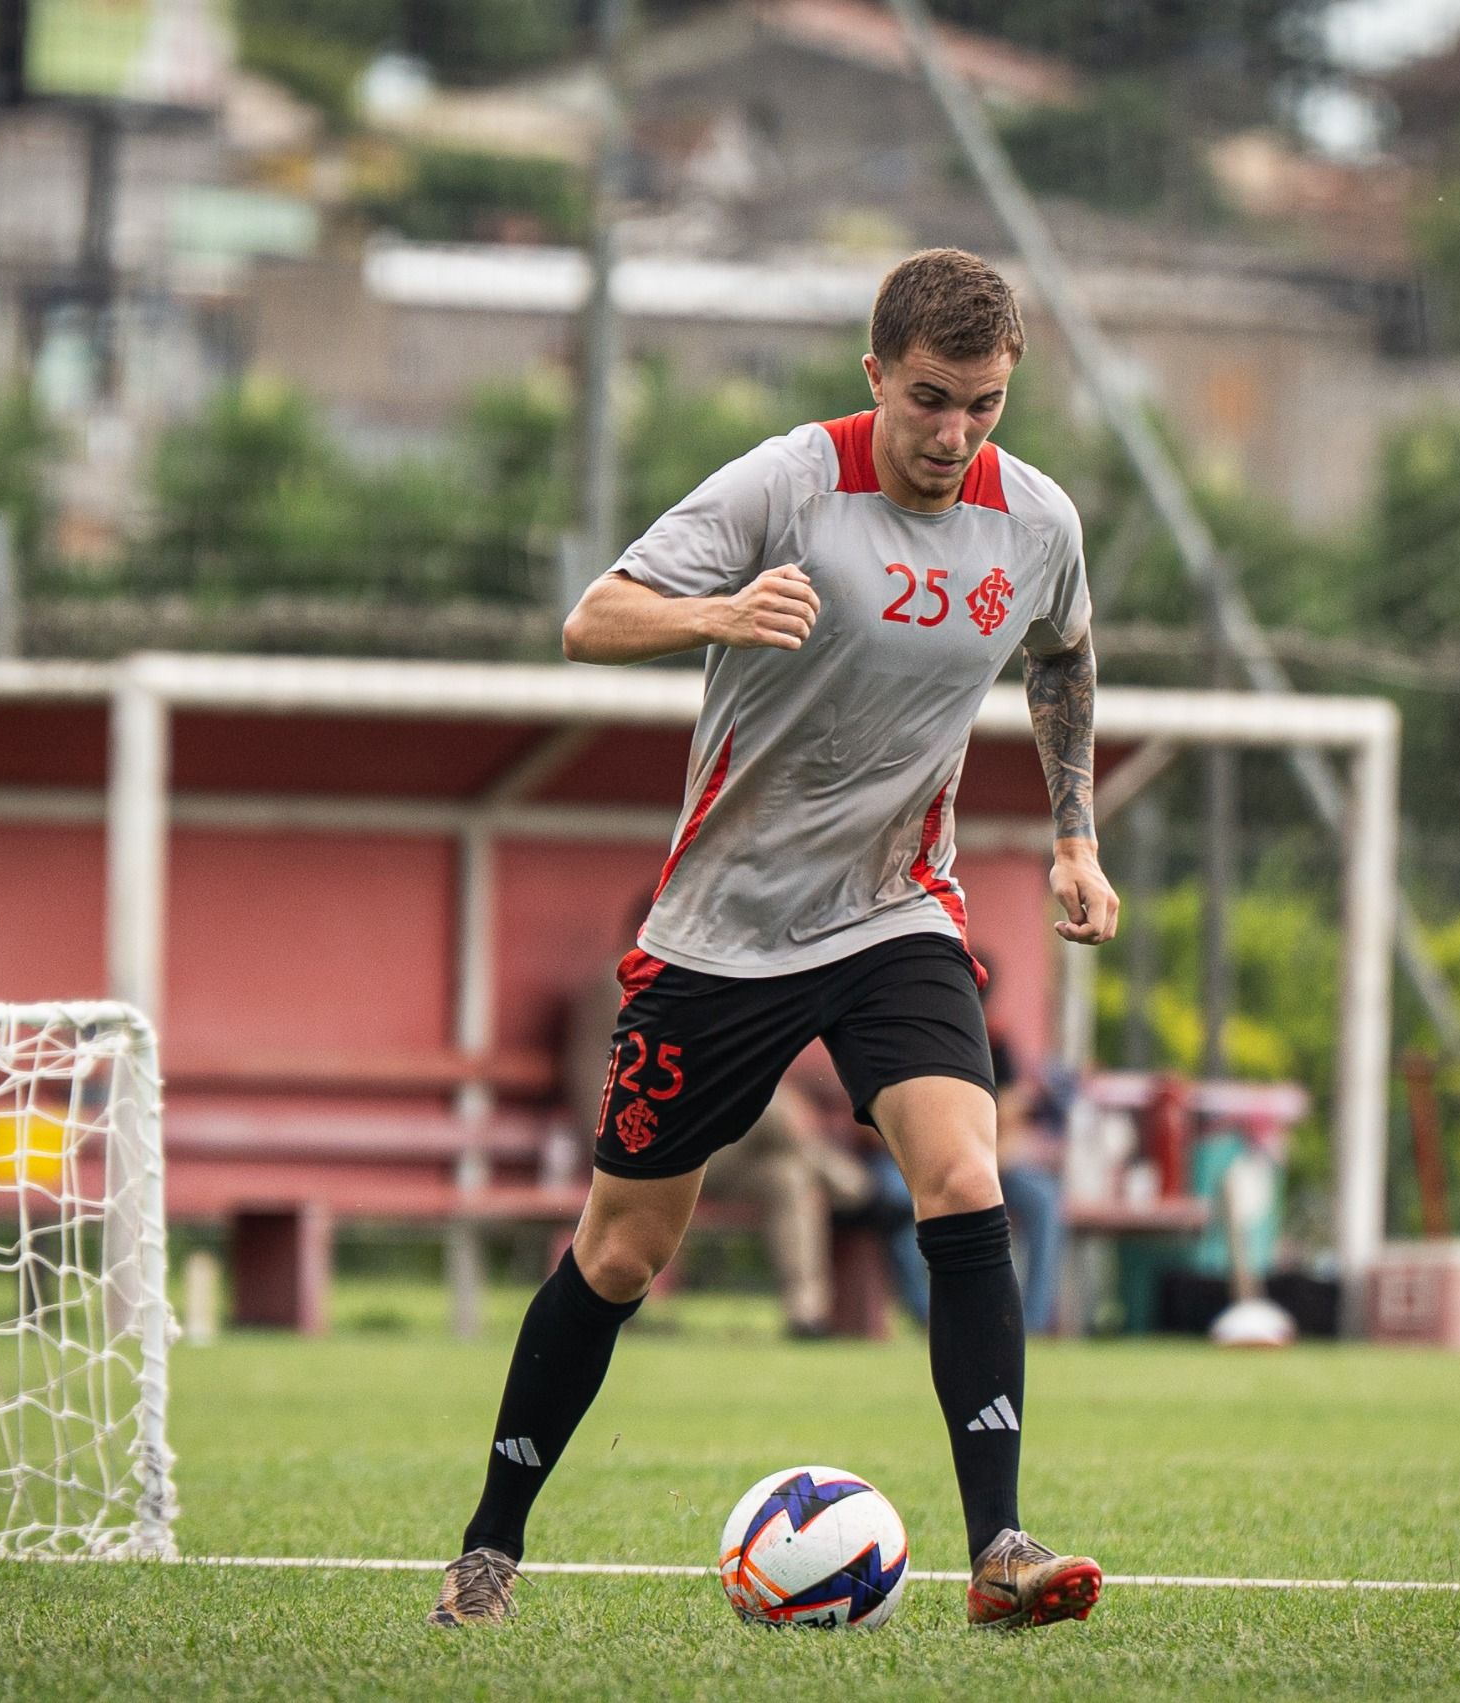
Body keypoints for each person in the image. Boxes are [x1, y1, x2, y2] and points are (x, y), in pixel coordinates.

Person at [429, 248, 1119, 1632]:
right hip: (721, 933)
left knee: (966, 1175)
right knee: (623, 1251)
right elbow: (590, 617)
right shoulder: (787, 484)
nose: (954, 433)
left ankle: (1001, 1546)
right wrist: (718, 613)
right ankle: (488, 1549)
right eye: (929, 399)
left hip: (894, 909)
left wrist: (1074, 832)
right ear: (876, 375)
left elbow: (1063, 655)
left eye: (983, 405)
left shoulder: (1035, 521)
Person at [563, 909, 872, 1339]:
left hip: (704, 1147)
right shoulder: (620, 984)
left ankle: (807, 1317)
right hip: (643, 1144)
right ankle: (855, 1185)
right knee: (775, 1113)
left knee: (787, 1177)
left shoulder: (693, 980)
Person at [871, 955, 1069, 1334]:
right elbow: (877, 1126)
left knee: (1043, 1198)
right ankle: (933, 1320)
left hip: (987, 1159)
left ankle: (1030, 1324)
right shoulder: (909, 1034)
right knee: (896, 1201)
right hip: (909, 1160)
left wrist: (978, 1164)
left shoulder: (994, 1041)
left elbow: (1007, 1119)